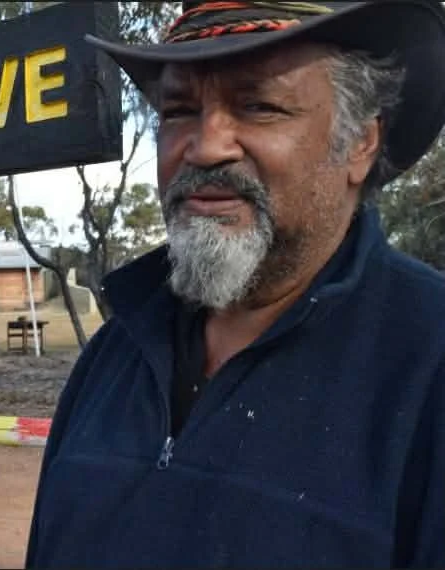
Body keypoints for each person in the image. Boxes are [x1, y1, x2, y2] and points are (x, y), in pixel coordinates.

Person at [25, 1, 445, 568]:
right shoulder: (114, 354)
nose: (204, 146)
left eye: (258, 105)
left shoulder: (427, 366)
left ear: (360, 143)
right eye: (178, 111)